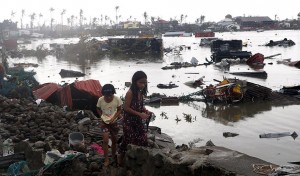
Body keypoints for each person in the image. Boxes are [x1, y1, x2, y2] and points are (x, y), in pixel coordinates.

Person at [118, 71, 152, 166]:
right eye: (140, 82)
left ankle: (137, 160)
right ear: (135, 82)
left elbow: (140, 106)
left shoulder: (140, 93)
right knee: (129, 140)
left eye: (144, 83)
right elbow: (126, 108)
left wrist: (146, 111)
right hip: (129, 122)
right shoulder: (130, 93)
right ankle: (121, 158)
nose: (143, 85)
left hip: (137, 122)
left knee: (143, 140)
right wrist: (140, 114)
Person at [96, 84, 123, 167]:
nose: (108, 97)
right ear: (103, 94)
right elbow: (97, 108)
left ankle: (114, 155)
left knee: (114, 141)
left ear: (113, 93)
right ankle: (106, 159)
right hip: (104, 123)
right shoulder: (100, 100)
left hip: (114, 122)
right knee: (105, 140)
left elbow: (119, 109)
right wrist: (101, 116)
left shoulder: (117, 99)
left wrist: (114, 117)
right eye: (106, 96)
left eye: (110, 95)